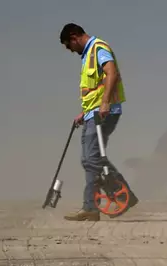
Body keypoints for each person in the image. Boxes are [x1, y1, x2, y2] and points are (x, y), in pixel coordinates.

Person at [59, 23, 138, 221]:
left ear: (74, 36)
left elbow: (112, 73)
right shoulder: (88, 54)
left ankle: (111, 199)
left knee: (92, 158)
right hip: (92, 113)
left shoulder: (98, 48)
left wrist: (104, 103)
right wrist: (83, 112)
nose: (70, 50)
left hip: (104, 112)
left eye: (69, 45)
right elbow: (95, 88)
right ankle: (94, 206)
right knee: (88, 159)